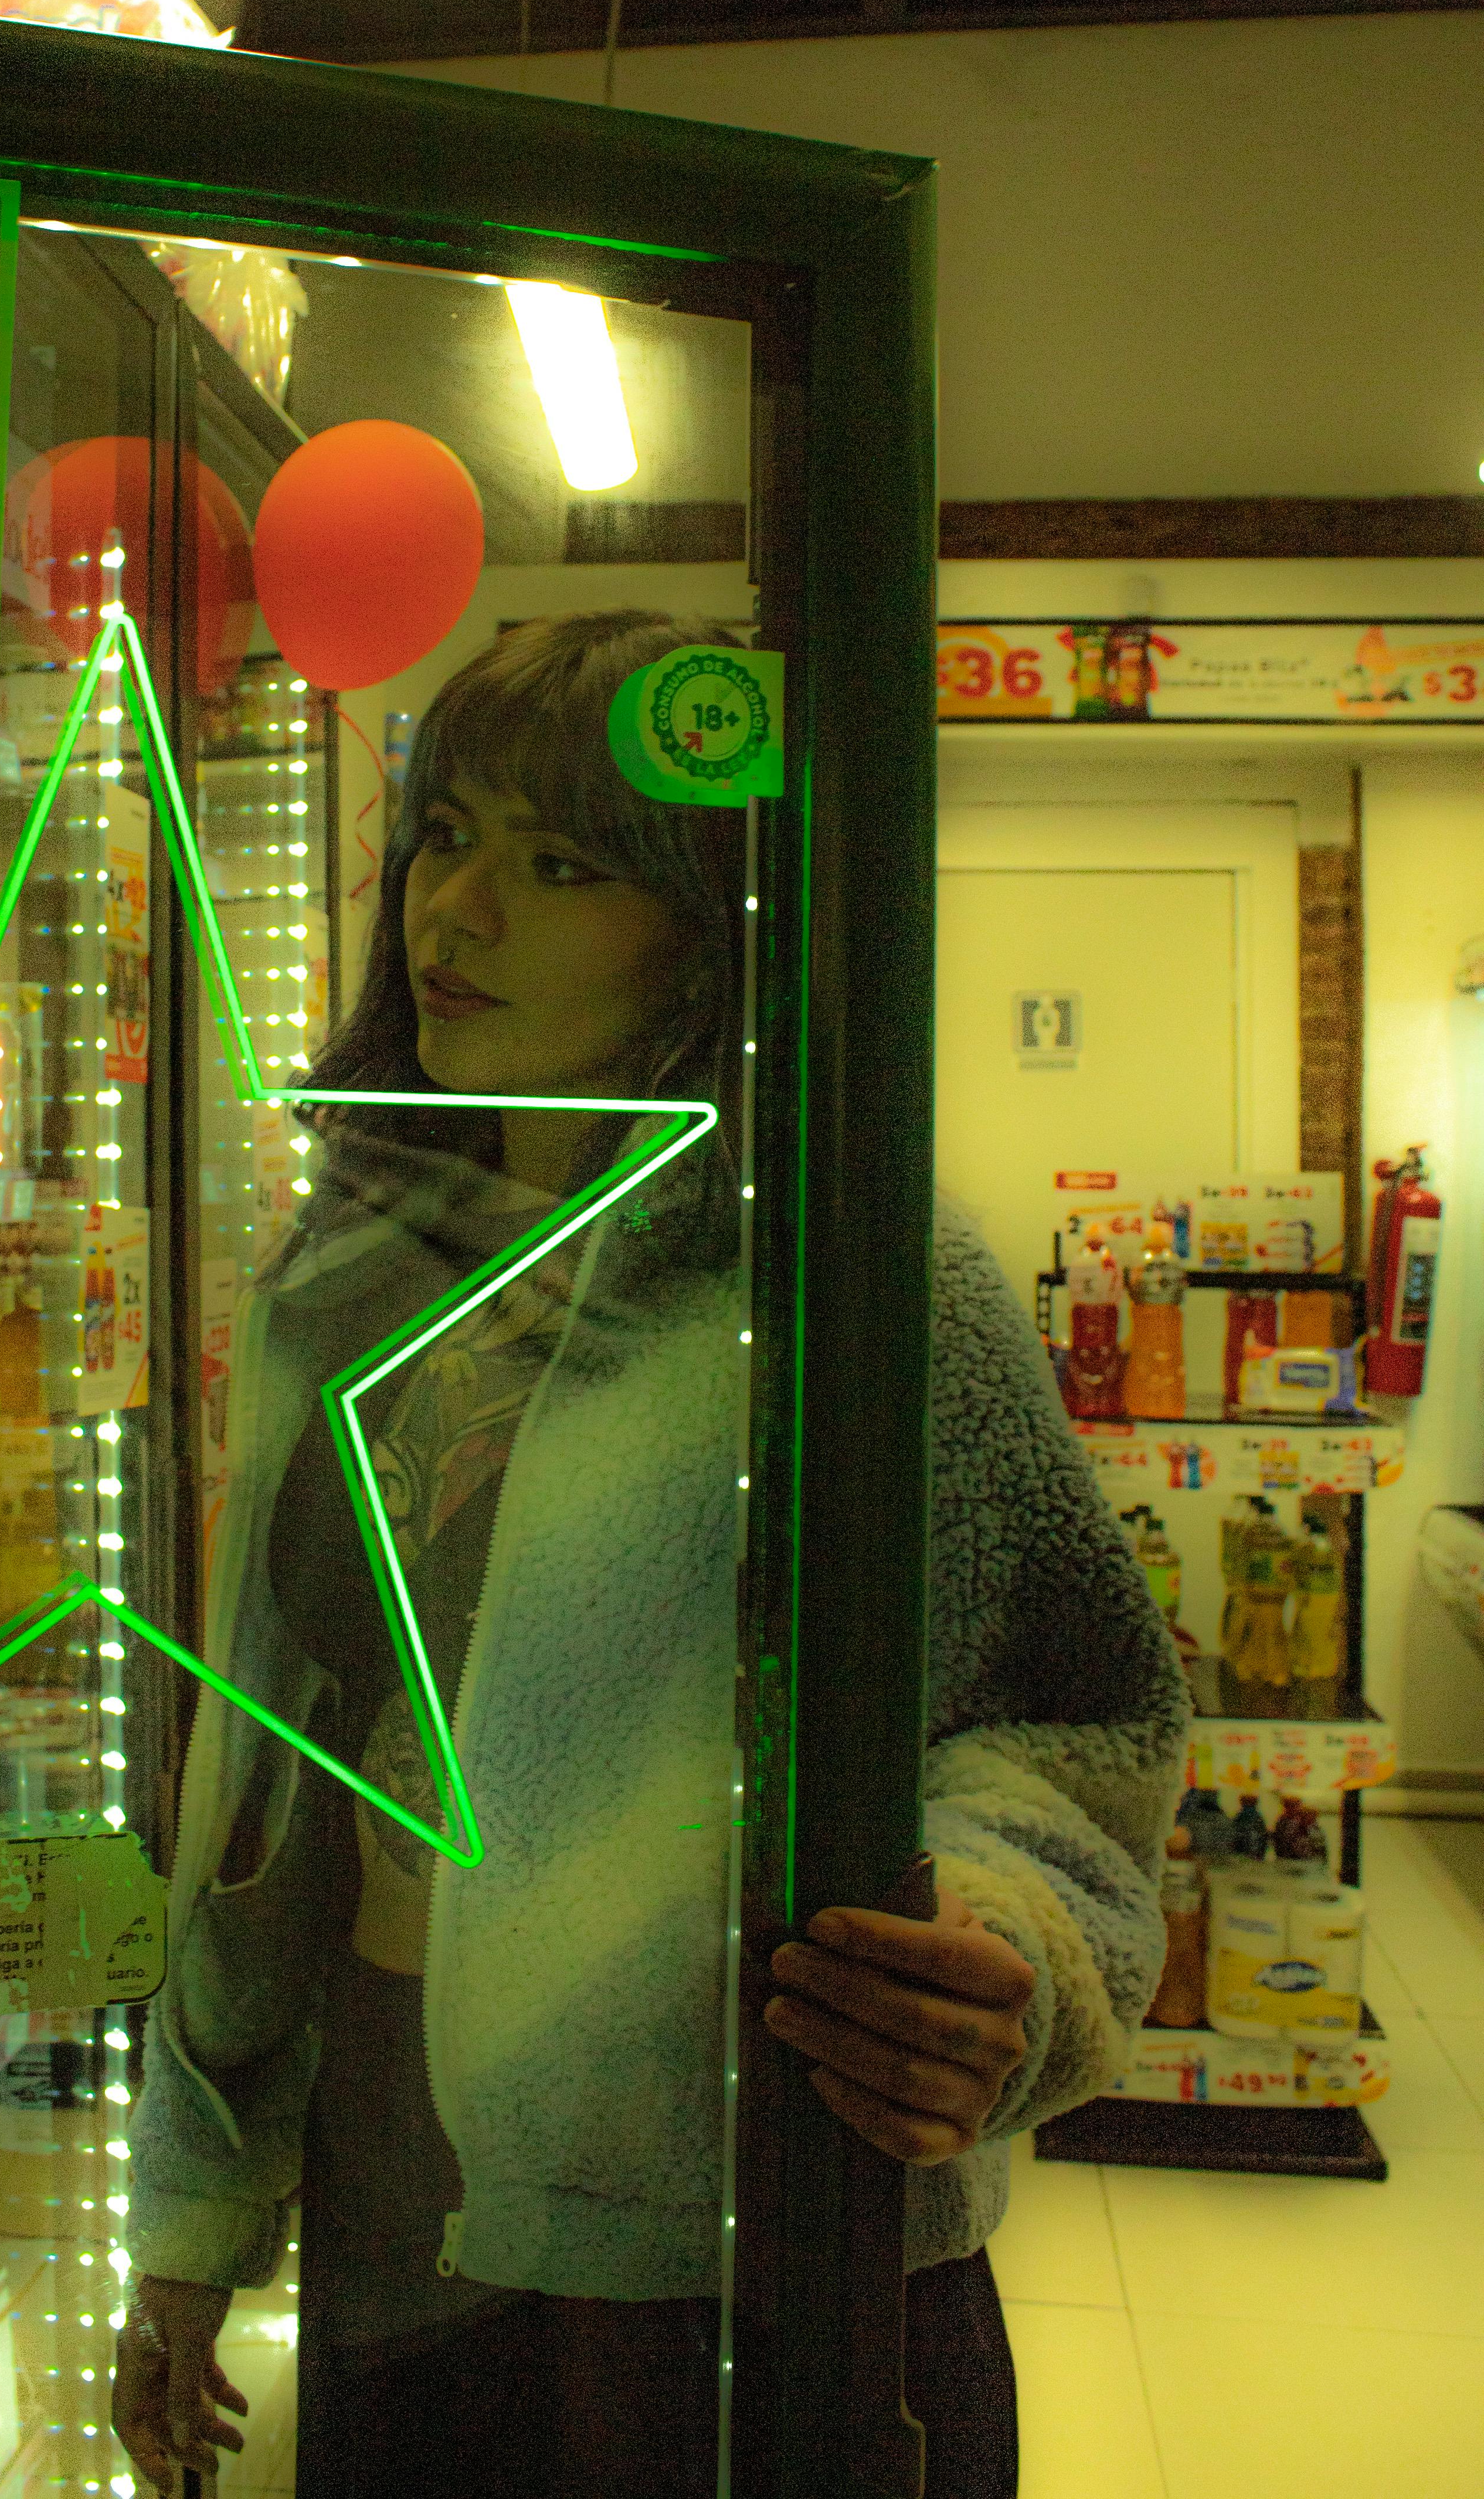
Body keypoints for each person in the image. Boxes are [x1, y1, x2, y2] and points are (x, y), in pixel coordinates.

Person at [114, 610, 1188, 2498]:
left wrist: (998, 1944)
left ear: (709, 929)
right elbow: (266, 1789)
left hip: (738, 2215)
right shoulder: (340, 1286)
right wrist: (192, 2212)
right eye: (449, 837)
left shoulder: (855, 1279)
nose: (456, 914)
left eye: (564, 868)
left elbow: (1067, 1725)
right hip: (387, 2170)